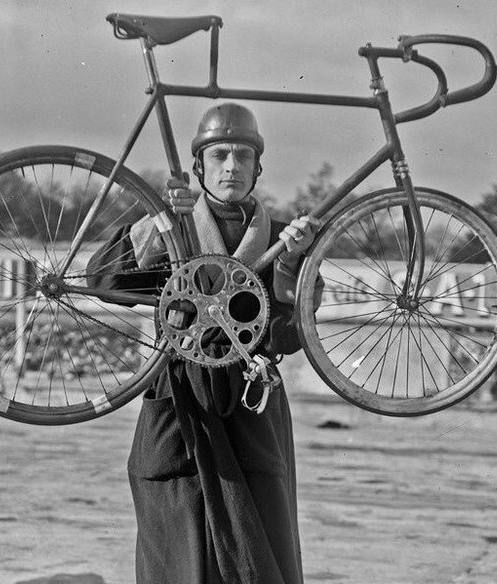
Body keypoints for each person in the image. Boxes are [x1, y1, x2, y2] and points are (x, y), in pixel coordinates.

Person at [87, 102, 319, 584]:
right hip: (178, 402)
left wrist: (293, 262)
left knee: (259, 553)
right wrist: (159, 222)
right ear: (199, 167)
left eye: (243, 156)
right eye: (219, 156)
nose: (232, 166)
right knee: (177, 548)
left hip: (250, 405)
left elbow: (290, 335)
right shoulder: (172, 230)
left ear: (258, 168)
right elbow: (103, 279)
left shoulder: (283, 239)